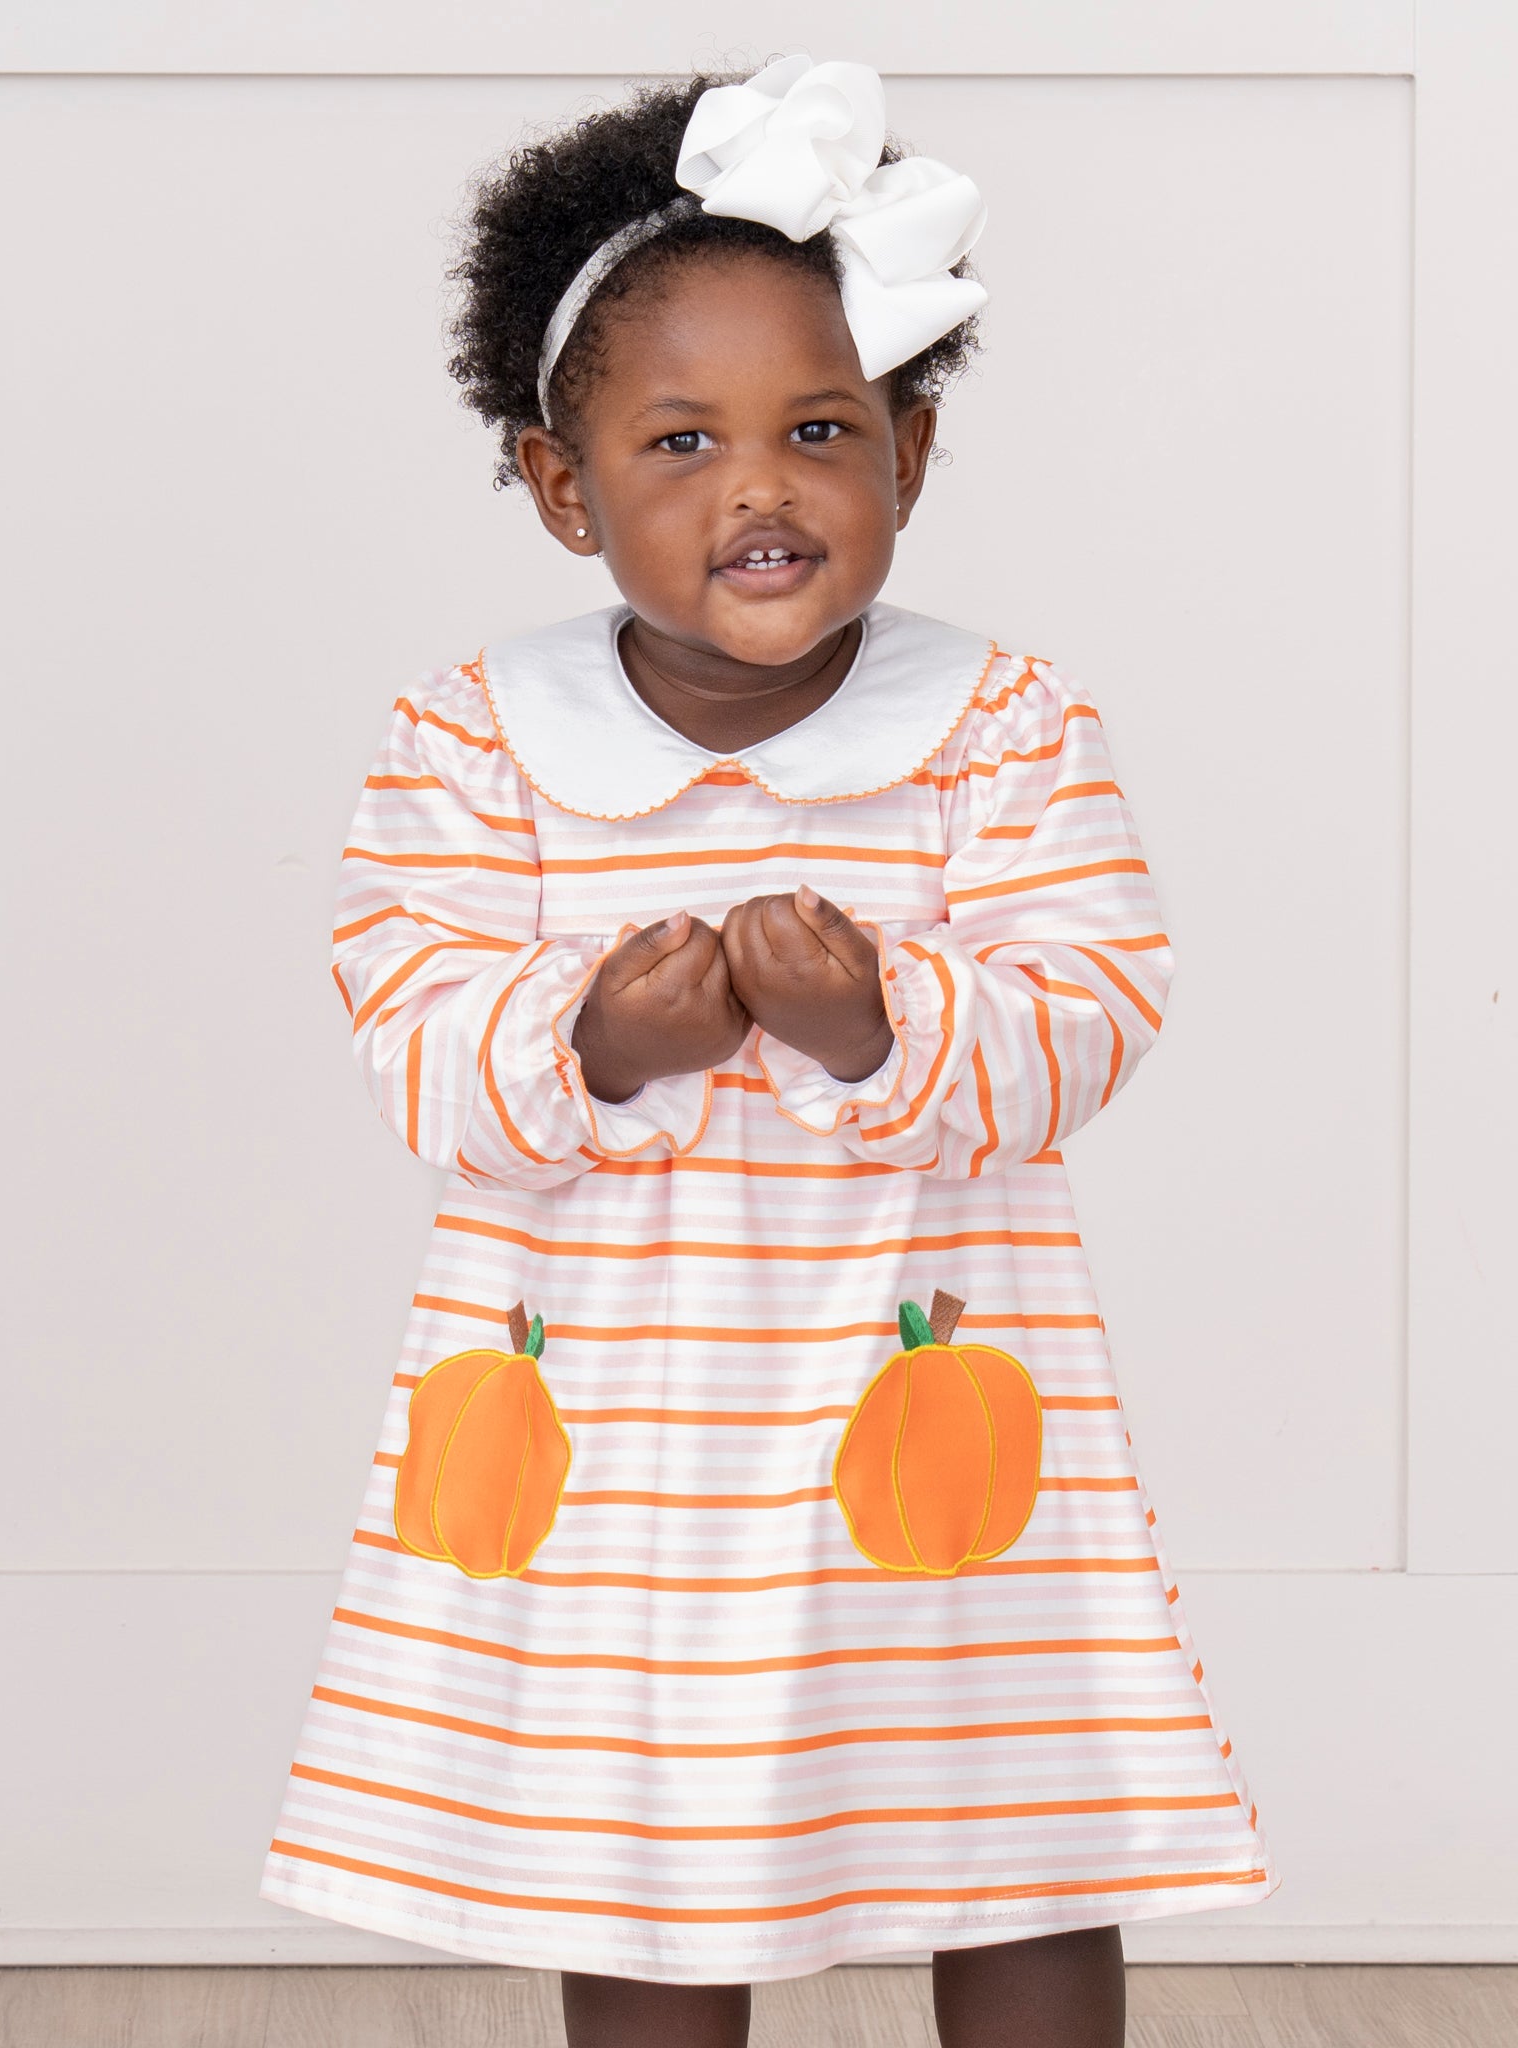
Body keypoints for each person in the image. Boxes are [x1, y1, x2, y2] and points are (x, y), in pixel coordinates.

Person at [259, 55, 1279, 2047]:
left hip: (935, 1407)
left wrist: (878, 1016)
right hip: (625, 1432)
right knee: (647, 1846)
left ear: (910, 449)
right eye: (680, 441)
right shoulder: (478, 741)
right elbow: (410, 1023)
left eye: (821, 429)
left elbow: (1096, 1003)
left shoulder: (1000, 726)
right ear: (565, 487)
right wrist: (594, 1035)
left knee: (1010, 1816)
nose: (759, 487)